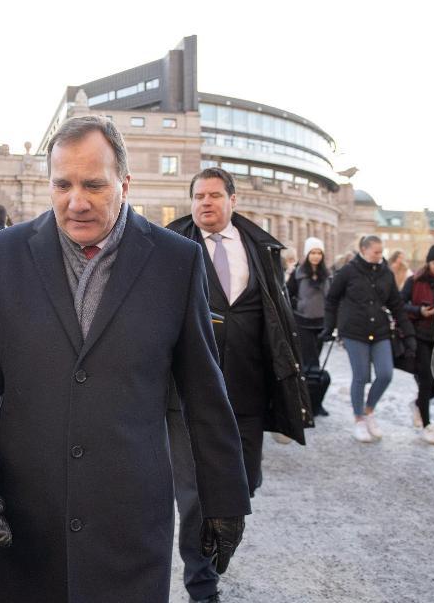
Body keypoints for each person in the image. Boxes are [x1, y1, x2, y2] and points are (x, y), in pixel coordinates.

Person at [0, 116, 250, 603]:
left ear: (124, 184)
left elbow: (203, 390)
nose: (76, 201)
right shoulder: (3, 255)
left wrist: (224, 495)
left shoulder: (176, 261)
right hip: (20, 519)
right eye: (62, 185)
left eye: (94, 185)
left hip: (127, 524)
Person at [166, 167, 311, 602]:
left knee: (242, 483)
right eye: (198, 196)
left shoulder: (262, 248)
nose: (205, 203)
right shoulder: (172, 247)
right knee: (196, 493)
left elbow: (276, 315)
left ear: (233, 199)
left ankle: (216, 546)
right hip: (192, 393)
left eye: (214, 195)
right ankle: (202, 583)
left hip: (249, 388)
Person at [321, 235, 411, 443]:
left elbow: (396, 304)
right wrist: (329, 326)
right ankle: (359, 418)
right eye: (376, 252)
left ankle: (369, 410)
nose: (380, 256)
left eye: (382, 252)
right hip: (354, 331)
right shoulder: (348, 271)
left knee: (385, 373)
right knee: (361, 375)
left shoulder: (385, 273)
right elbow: (332, 299)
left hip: (379, 331)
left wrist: (408, 332)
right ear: (363, 249)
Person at [401, 243, 434, 445]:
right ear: (428, 263)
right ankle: (426, 425)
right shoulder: (415, 280)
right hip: (419, 335)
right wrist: (418, 311)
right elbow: (400, 304)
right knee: (426, 379)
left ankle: (418, 404)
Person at [287, 236, 332, 416]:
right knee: (308, 364)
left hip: (320, 325)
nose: (315, 256)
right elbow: (287, 295)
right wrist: (297, 307)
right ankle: (306, 404)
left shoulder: (327, 275)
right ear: (307, 254)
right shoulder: (298, 273)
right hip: (303, 324)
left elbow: (332, 299)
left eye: (318, 253)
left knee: (316, 365)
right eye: (312, 252)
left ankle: (316, 402)